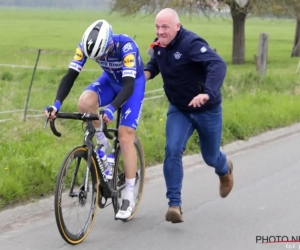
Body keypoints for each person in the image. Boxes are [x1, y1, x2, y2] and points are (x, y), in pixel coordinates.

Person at [44, 19, 146, 220]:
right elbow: (70, 76)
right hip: (109, 81)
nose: (99, 58)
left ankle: (128, 196)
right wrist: (56, 104)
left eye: (101, 55)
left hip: (131, 85)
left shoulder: (126, 46)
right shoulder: (85, 45)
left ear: (109, 44)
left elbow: (128, 86)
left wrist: (111, 108)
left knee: (125, 137)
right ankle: (104, 147)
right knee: (84, 103)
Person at [144, 8, 234, 223]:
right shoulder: (159, 44)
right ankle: (174, 205)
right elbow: (156, 62)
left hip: (207, 109)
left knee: (211, 157)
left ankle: (225, 169)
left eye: (165, 26)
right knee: (172, 149)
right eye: (157, 26)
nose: (160, 31)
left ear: (177, 26)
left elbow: (217, 64)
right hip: (180, 109)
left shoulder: (190, 43)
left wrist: (207, 93)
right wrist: (144, 75)